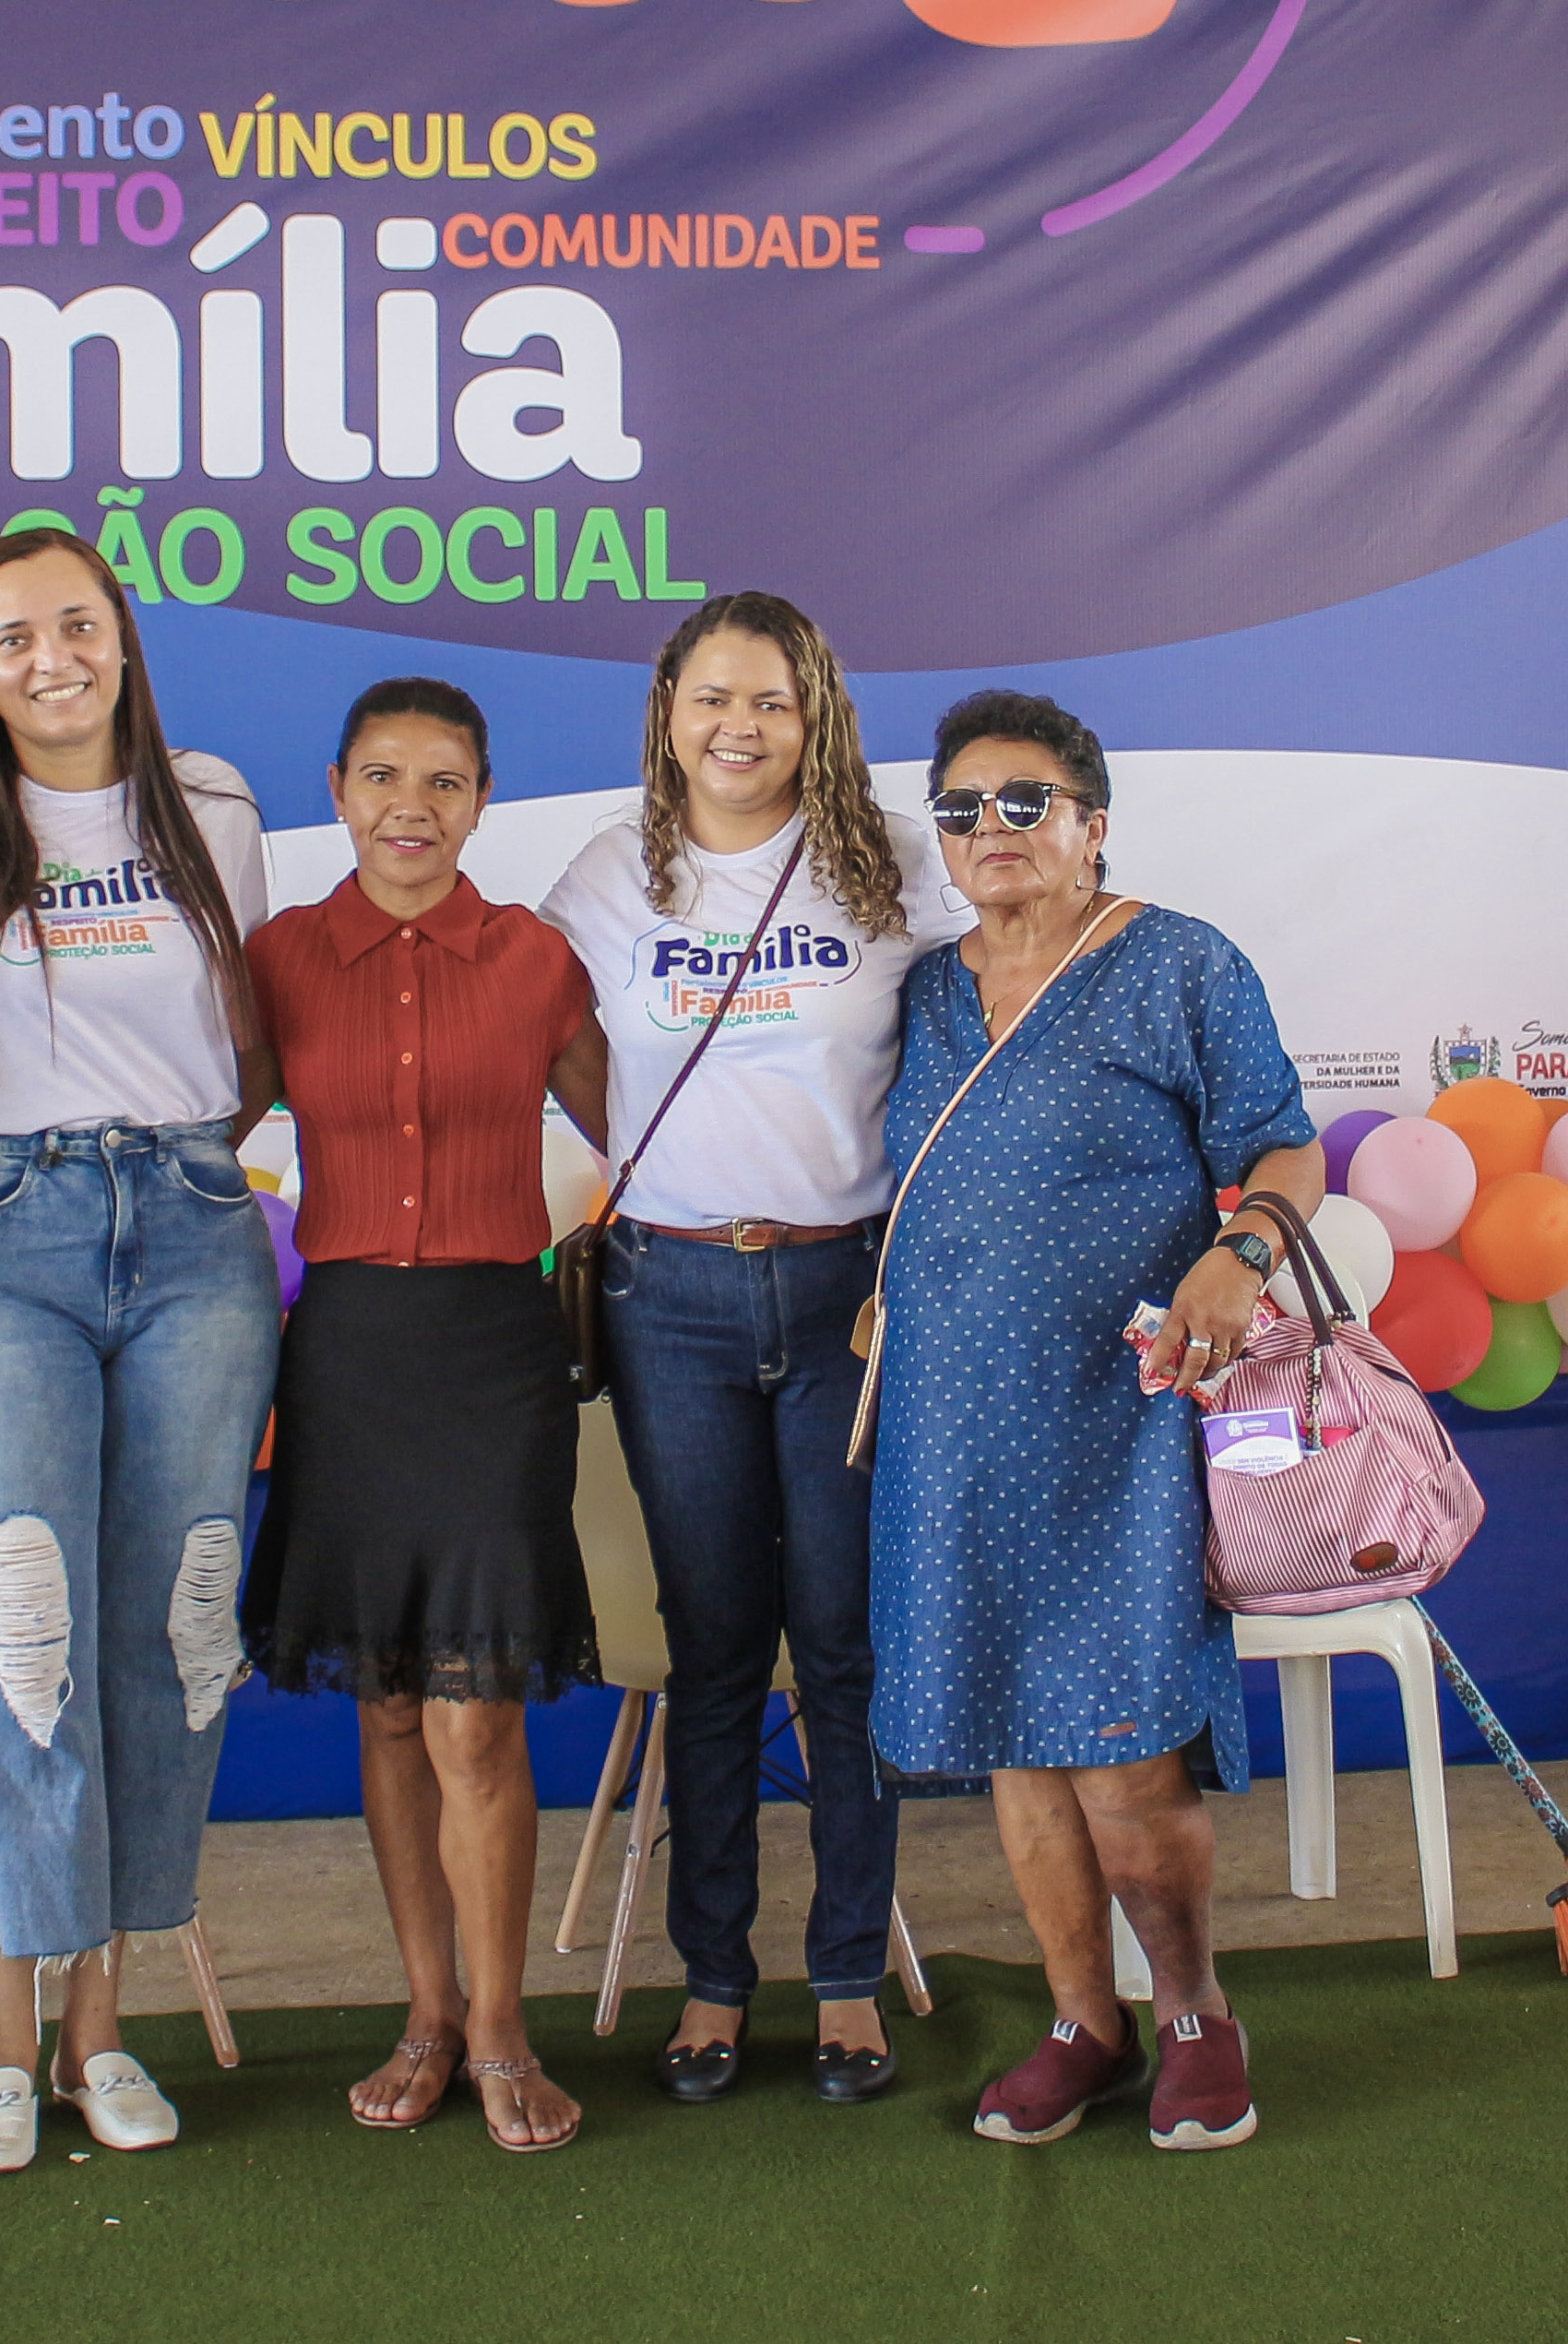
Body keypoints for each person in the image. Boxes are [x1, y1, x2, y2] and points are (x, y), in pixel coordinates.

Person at [864, 690, 1322, 2153]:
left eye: (1027, 801)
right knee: (1015, 1738)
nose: (990, 828)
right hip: (950, 1425)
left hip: (1118, 1421)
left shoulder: (1180, 962)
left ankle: (1192, 2013)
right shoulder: (921, 992)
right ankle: (1083, 2021)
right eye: (961, 807)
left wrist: (1239, 1254)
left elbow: (1286, 1145)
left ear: (1093, 822)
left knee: (1125, 1750)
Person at [538, 591, 969, 2106]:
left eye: (772, 701)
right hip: (671, 1298)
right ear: (669, 711)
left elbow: (987, 1018)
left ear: (816, 714)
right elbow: (564, 1046)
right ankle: (713, 1979)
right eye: (714, 697)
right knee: (714, 1649)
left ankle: (847, 1976)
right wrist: (651, 1162)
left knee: (844, 1649)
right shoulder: (612, 874)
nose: (742, 726)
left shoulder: (895, 860)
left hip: (849, 1291)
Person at [0, 525, 283, 2175]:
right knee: (24, 1627)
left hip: (195, 1226)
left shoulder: (213, 807)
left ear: (123, 637)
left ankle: (101, 2025)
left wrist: (172, 1162)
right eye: (15, 637)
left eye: (78, 622)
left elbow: (247, 1041)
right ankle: (2, 2035)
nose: (52, 657)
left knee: (178, 1628)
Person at [244, 677, 610, 2153]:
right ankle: (428, 2012)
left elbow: (653, 1131)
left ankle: (505, 2024)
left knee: (474, 1711)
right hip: (347, 1356)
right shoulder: (279, 956)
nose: (413, 805)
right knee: (389, 1700)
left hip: (491, 1355)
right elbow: (187, 1120)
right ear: (338, 789)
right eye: (384, 776)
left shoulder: (535, 959)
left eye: (445, 780)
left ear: (482, 797)